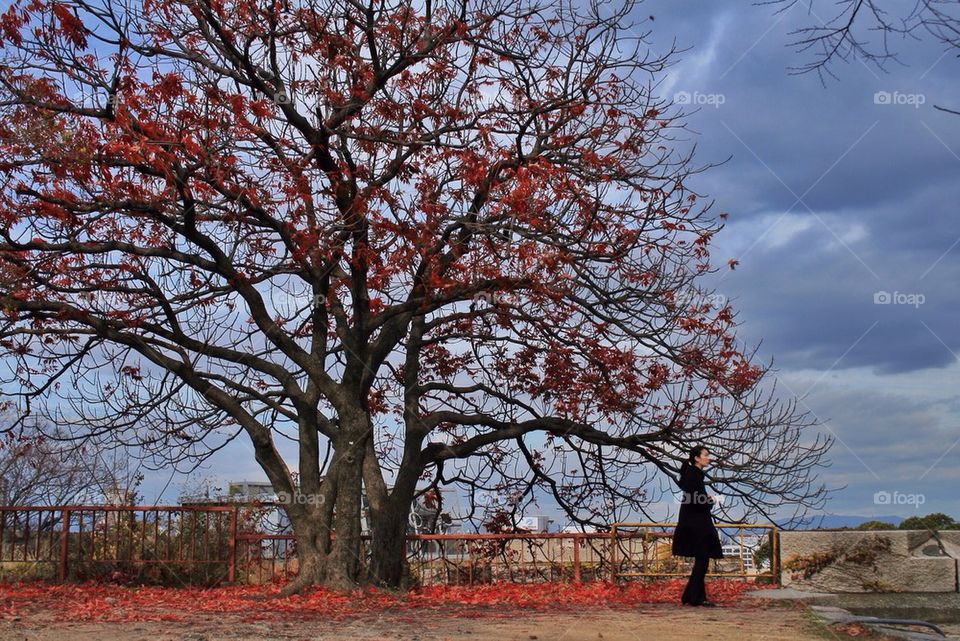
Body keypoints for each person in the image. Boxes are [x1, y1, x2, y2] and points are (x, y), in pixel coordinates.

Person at [671, 444, 724, 606]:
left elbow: (693, 496)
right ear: (696, 458)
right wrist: (711, 500)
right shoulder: (694, 475)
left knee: (702, 558)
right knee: (702, 558)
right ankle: (694, 597)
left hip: (693, 522)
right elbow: (697, 500)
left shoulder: (692, 475)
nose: (708, 458)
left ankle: (692, 596)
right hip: (697, 523)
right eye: (705, 455)